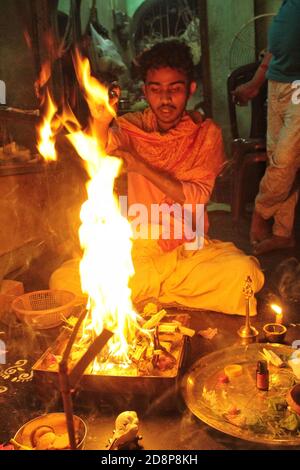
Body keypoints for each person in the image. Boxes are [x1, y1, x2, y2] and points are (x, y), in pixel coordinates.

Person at [51, 40, 264, 315]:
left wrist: (140, 166)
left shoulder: (206, 134)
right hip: (139, 253)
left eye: (175, 89)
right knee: (63, 281)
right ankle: (160, 294)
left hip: (190, 251)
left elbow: (197, 196)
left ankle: (141, 296)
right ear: (145, 91)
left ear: (190, 89)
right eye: (156, 89)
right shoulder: (133, 126)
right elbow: (98, 150)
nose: (165, 100)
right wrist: (102, 120)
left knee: (244, 275)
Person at [232, 0, 300, 255]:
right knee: (278, 162)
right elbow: (274, 50)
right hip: (277, 84)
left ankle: (260, 213)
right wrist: (254, 84)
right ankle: (283, 233)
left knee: (285, 159)